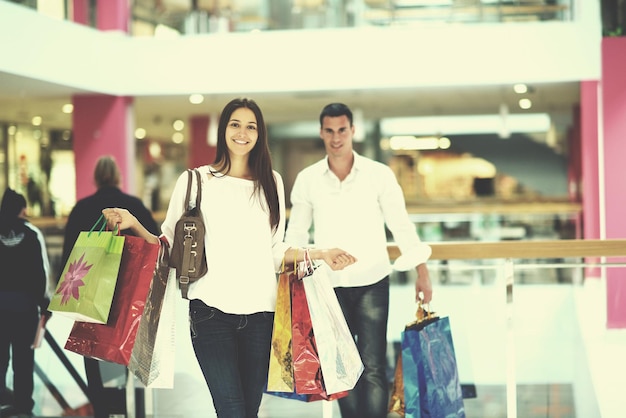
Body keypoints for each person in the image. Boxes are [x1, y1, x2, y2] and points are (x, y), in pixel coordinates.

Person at [101, 97, 357, 418]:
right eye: (235, 124)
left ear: (259, 134)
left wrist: (321, 252)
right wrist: (134, 224)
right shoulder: (195, 181)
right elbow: (168, 247)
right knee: (232, 410)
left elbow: (276, 251)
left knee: (250, 411)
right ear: (223, 130)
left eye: (251, 127)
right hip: (210, 315)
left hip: (262, 318)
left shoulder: (271, 182)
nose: (242, 133)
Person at [284, 102, 434, 418]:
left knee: (373, 366)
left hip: (373, 280)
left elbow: (401, 224)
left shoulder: (378, 174)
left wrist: (423, 271)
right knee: (340, 368)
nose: (336, 138)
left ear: (353, 131)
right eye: (329, 131)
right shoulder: (308, 179)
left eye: (342, 130)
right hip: (327, 287)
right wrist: (290, 278)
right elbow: (295, 233)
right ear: (321, 132)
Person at [59, 155, 159, 418]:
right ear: (118, 177)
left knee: (90, 347)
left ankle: (101, 408)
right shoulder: (133, 206)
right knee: (126, 345)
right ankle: (129, 404)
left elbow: (69, 253)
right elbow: (155, 242)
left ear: (95, 178)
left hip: (90, 290)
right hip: (128, 291)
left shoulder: (82, 208)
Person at [0, 188, 51, 418]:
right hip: (25, 309)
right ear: (22, 209)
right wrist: (44, 305)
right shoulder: (32, 233)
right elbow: (41, 273)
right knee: (23, 360)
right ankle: (22, 406)